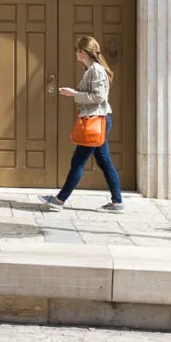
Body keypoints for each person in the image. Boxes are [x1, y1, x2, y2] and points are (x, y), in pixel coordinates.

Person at [41, 35, 123, 212]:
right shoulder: (91, 69)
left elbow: (100, 97)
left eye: (77, 51)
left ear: (83, 52)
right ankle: (117, 202)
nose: (75, 54)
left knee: (78, 161)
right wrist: (76, 94)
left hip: (96, 120)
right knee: (104, 162)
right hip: (97, 119)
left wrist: (74, 94)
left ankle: (59, 200)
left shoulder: (96, 70)